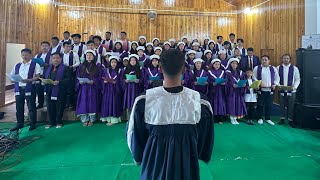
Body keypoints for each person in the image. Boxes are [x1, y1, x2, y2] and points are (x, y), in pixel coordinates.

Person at [126, 48, 214, 180]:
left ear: (160, 69)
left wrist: (140, 157)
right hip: (187, 169)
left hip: (153, 168)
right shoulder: (200, 102)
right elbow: (205, 140)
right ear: (184, 69)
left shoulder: (144, 101)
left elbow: (134, 136)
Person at [10, 48, 41, 131]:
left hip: (30, 87)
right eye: (23, 55)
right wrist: (12, 79)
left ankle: (33, 123)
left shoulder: (35, 64)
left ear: (30, 55)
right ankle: (19, 123)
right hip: (19, 88)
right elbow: (12, 75)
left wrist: (29, 80)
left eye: (26, 55)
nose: (24, 57)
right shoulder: (17, 65)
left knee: (31, 106)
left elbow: (38, 77)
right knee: (19, 107)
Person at [43, 52, 71, 129]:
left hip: (60, 90)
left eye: (57, 58)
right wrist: (43, 81)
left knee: (59, 107)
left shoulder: (65, 68)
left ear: (61, 59)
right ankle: (50, 122)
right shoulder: (48, 68)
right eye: (54, 58)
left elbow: (68, 80)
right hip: (49, 90)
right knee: (50, 106)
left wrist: (59, 82)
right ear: (51, 59)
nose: (56, 60)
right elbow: (43, 77)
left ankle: (59, 121)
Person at [76, 50, 101, 127]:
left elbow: (99, 77)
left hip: (92, 88)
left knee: (91, 103)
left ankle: (92, 119)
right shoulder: (81, 66)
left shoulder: (97, 66)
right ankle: (85, 119)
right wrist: (79, 82)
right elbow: (77, 77)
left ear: (93, 57)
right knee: (83, 103)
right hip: (83, 88)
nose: (89, 57)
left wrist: (93, 81)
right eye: (87, 55)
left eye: (90, 55)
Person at [253, 55, 280, 125]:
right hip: (261, 90)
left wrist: (275, 84)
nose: (264, 61)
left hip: (270, 90)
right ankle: (259, 118)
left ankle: (268, 118)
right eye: (263, 60)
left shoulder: (273, 68)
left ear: (269, 61)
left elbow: (277, 77)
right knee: (260, 105)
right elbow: (254, 77)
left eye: (266, 60)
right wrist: (259, 84)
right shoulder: (257, 68)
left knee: (269, 105)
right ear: (261, 61)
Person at [277, 54, 300, 125]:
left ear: (290, 59)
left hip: (292, 90)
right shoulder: (278, 68)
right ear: (282, 59)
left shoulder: (295, 68)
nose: (286, 60)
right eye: (284, 58)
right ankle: (282, 118)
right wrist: (278, 85)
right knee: (282, 105)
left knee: (291, 105)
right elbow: (276, 78)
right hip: (282, 89)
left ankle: (290, 119)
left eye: (287, 58)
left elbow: (297, 79)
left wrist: (294, 87)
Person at [100, 56, 122, 125]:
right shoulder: (106, 70)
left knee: (114, 103)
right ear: (110, 63)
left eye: (115, 62)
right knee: (107, 103)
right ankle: (107, 118)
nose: (113, 64)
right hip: (107, 89)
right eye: (112, 62)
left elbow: (121, 80)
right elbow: (102, 79)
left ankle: (114, 119)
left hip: (115, 90)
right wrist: (104, 82)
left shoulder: (120, 71)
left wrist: (116, 83)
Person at [225, 58, 247, 125]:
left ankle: (236, 117)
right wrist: (232, 85)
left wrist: (244, 84)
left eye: (236, 63)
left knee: (238, 103)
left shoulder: (240, 73)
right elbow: (226, 82)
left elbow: (244, 80)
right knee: (232, 103)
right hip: (231, 91)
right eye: (233, 63)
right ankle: (232, 117)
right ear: (230, 64)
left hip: (239, 91)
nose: (234, 65)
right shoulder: (227, 73)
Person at [122, 54, 143, 119]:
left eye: (134, 60)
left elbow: (143, 79)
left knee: (136, 103)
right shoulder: (126, 69)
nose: (132, 62)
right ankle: (129, 118)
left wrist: (138, 80)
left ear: (136, 61)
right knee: (129, 103)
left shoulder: (140, 69)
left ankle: (136, 118)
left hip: (136, 88)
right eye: (131, 60)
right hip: (128, 89)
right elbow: (122, 79)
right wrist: (125, 81)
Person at [207, 59, 227, 124]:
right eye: (216, 64)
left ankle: (220, 118)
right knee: (214, 102)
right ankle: (213, 118)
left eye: (218, 64)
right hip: (213, 90)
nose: (217, 66)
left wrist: (224, 83)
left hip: (220, 90)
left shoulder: (222, 72)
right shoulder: (209, 72)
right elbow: (208, 80)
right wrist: (212, 83)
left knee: (220, 103)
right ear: (213, 65)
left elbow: (225, 80)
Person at [62, 41, 80, 109]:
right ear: (63, 47)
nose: (68, 48)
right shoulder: (61, 54)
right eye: (67, 46)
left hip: (72, 73)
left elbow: (78, 62)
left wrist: (72, 66)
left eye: (69, 46)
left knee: (71, 89)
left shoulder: (74, 54)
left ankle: (71, 104)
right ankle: (64, 103)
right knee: (63, 89)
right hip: (63, 74)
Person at [34, 41, 51, 109]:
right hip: (39, 74)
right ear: (41, 47)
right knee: (39, 89)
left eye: (46, 46)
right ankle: (40, 103)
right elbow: (34, 64)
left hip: (48, 74)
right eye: (43, 46)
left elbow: (53, 65)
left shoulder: (51, 55)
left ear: (49, 47)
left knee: (48, 89)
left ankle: (48, 104)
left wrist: (46, 65)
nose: (44, 47)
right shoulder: (37, 55)